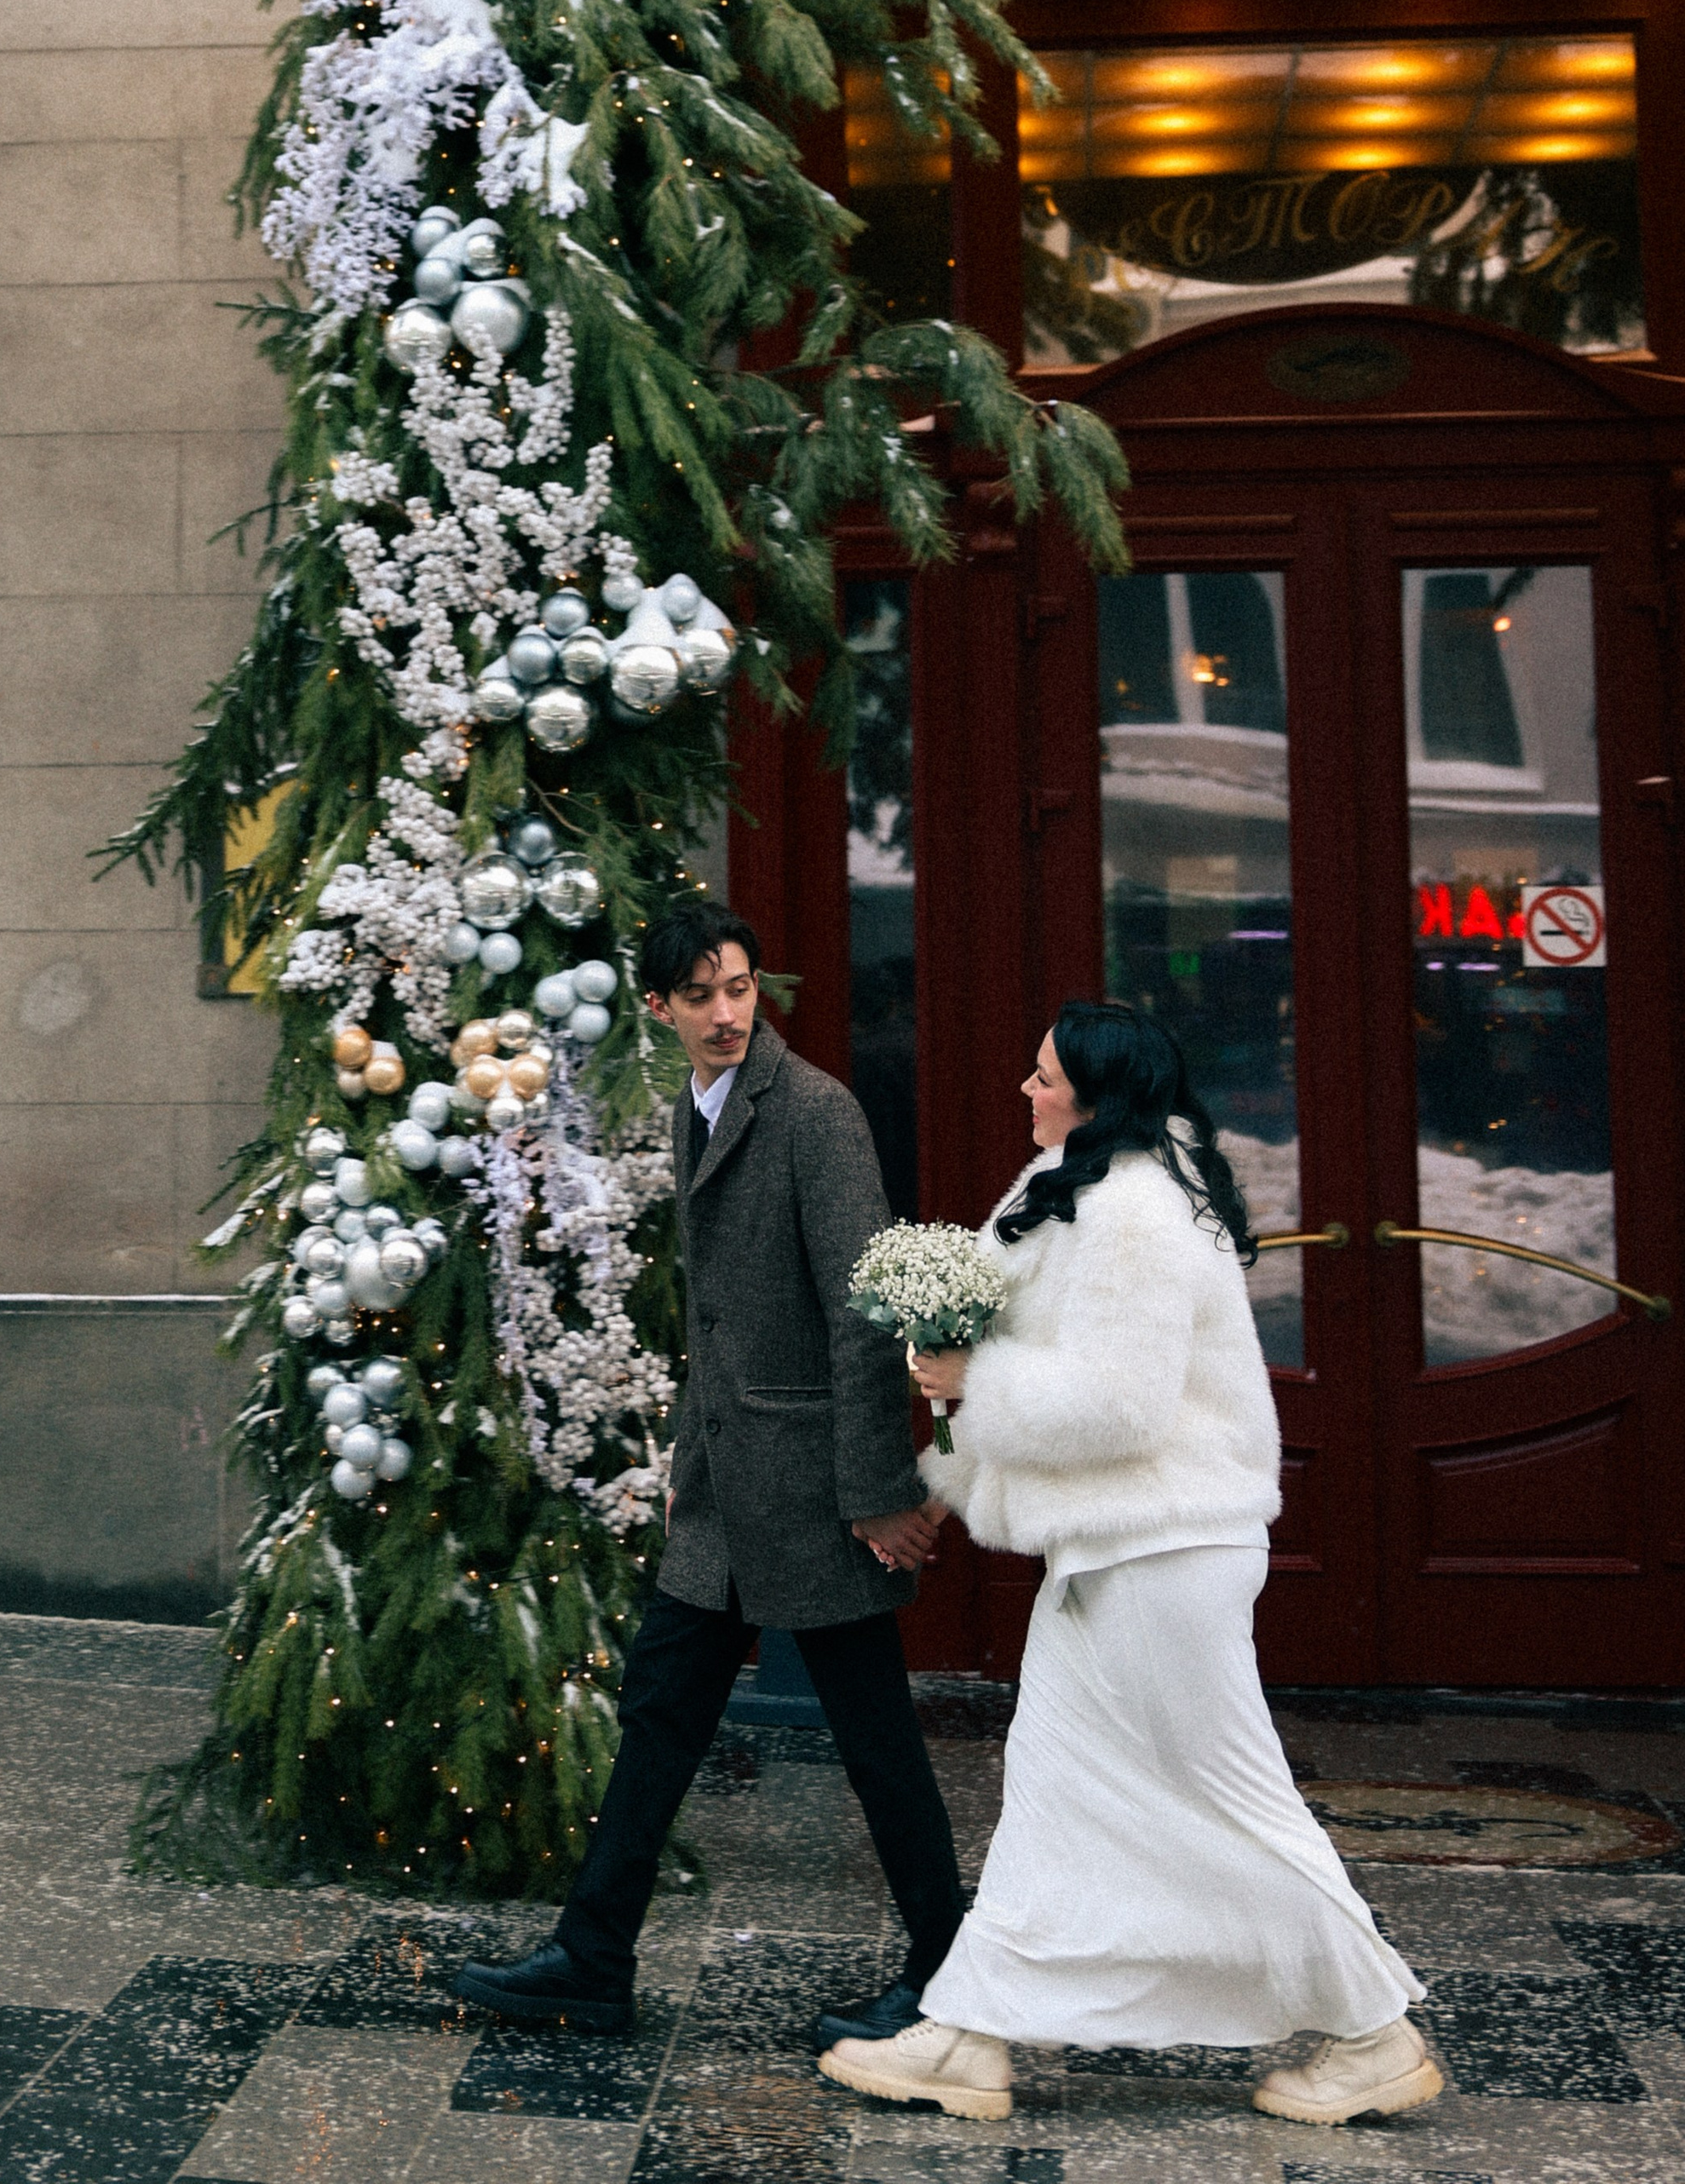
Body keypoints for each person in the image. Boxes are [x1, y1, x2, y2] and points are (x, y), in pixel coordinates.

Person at [819, 1001, 1441, 2132]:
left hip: (1165, 1552)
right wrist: (952, 1406)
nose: (1025, 1087)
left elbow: (1118, 1402)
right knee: (1053, 1788)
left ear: (1097, 1097)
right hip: (1124, 1549)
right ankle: (970, 2031)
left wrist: (970, 1382)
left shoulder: (1136, 1211)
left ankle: (1375, 2033)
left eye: (1044, 1074)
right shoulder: (1092, 1186)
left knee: (1231, 1797)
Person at [456, 901, 964, 2044]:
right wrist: (690, 1452)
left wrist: (880, 1488)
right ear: (660, 1009)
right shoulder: (700, 1105)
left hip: (815, 1489)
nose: (727, 1012)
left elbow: (863, 1304)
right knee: (661, 1713)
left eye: (739, 988)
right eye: (701, 996)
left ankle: (948, 1972)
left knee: (876, 1738)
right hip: (728, 1488)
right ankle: (593, 1958)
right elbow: (716, 1314)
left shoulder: (815, 1113)